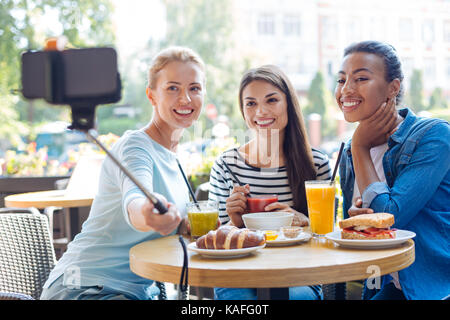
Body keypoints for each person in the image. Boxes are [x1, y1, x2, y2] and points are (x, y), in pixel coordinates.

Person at [40, 46, 206, 300]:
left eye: (194, 88)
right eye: (173, 88)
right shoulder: (135, 146)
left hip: (136, 293)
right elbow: (136, 203)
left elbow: (180, 227)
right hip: (85, 287)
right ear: (151, 96)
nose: (185, 99)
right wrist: (149, 214)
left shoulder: (175, 159)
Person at [335, 40, 450, 300]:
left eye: (360, 78)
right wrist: (359, 224)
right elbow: (358, 235)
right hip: (385, 285)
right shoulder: (349, 151)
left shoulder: (434, 136)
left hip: (433, 288)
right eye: (341, 80)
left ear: (393, 88)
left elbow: (389, 216)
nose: (346, 90)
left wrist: (360, 147)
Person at [209, 65, 332, 300]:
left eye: (271, 100)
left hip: (298, 273)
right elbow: (215, 241)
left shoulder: (317, 164)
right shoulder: (226, 165)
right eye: (251, 103)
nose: (261, 112)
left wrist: (303, 221)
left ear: (289, 104)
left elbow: (327, 239)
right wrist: (236, 223)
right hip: (237, 274)